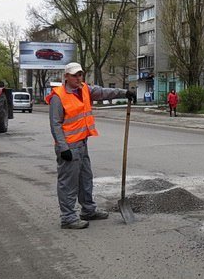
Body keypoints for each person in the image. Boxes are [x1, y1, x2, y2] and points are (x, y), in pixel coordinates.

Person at [47, 62, 137, 230]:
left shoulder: (84, 89)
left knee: (85, 179)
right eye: (74, 75)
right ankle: (68, 218)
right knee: (68, 183)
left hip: (82, 143)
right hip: (68, 147)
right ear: (66, 76)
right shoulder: (58, 96)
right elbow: (55, 124)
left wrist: (124, 92)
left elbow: (103, 92)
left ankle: (88, 210)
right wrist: (63, 148)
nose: (78, 78)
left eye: (80, 74)